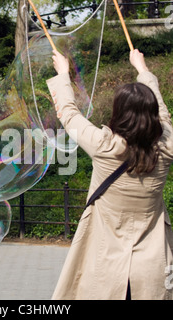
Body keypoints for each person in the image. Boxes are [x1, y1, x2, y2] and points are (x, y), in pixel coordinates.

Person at [46, 49, 173, 300]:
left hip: (105, 267)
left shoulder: (104, 146)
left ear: (119, 112)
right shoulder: (167, 147)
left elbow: (70, 116)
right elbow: (163, 114)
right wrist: (143, 70)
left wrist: (63, 74)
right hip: (152, 268)